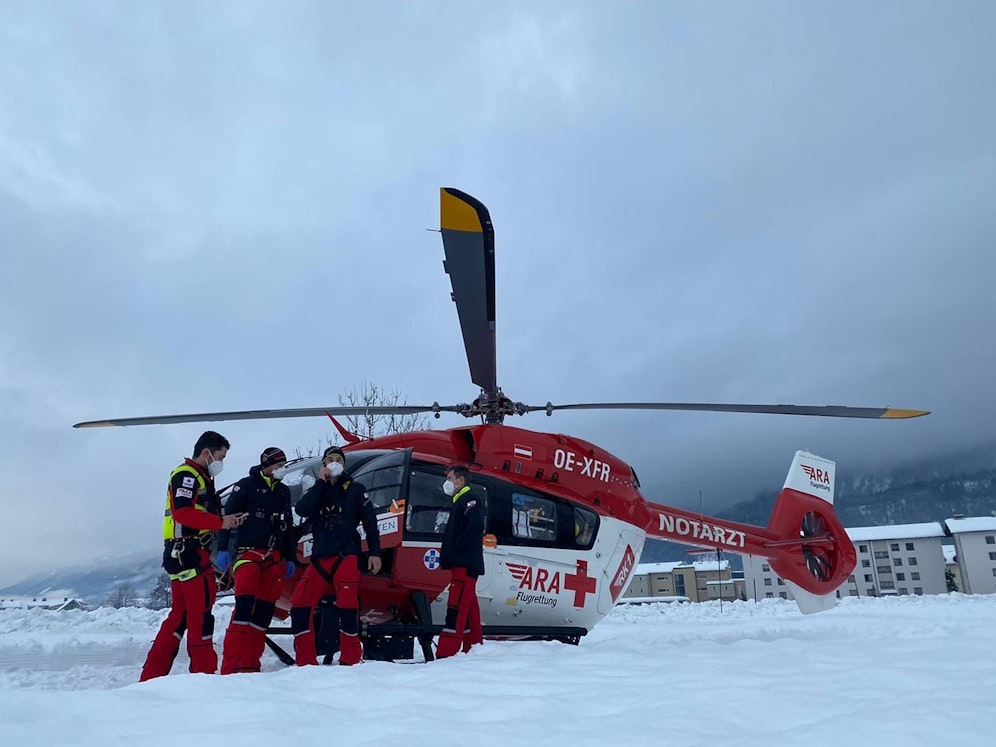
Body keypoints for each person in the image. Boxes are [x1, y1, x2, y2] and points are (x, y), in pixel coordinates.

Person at [140, 431, 246, 681]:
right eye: (221, 456)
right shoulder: (187, 476)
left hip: (188, 552)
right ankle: (203, 674)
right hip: (188, 553)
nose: (222, 462)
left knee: (180, 614)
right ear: (207, 452)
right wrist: (221, 522)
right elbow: (184, 513)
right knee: (200, 615)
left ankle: (152, 676)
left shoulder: (202, 478)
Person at [289, 446, 383, 666]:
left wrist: (375, 553)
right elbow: (302, 510)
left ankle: (350, 658)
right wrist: (320, 483)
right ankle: (305, 660)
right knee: (300, 603)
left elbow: (371, 523)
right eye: (329, 459)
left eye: (337, 459)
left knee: (347, 604)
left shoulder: (356, 489)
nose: (333, 462)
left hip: (346, 555)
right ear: (323, 465)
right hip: (320, 558)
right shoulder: (317, 491)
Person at [216, 446, 296, 674]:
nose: (281, 470)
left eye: (283, 467)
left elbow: (287, 526)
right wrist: (222, 548)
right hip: (248, 554)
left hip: (274, 558)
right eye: (278, 466)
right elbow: (227, 518)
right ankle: (230, 667)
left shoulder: (283, 492)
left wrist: (290, 557)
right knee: (243, 609)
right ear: (267, 465)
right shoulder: (246, 486)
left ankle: (251, 665)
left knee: (262, 614)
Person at [436, 464, 486, 658]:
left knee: (456, 606)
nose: (446, 483)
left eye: (449, 479)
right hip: (461, 563)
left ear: (461, 480)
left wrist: (456, 547)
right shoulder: (459, 501)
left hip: (464, 563)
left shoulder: (470, 499)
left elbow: (475, 527)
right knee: (470, 607)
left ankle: (446, 652)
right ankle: (474, 647)